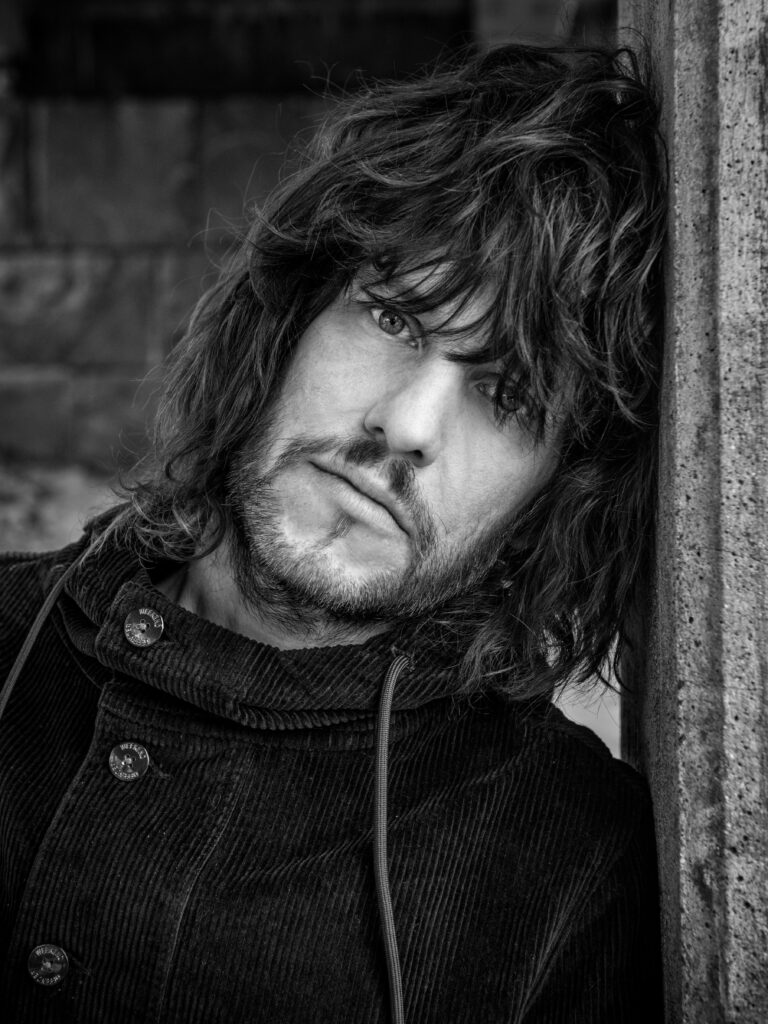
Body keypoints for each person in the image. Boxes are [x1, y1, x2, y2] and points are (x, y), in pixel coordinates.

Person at [0, 42, 667, 1023]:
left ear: (560, 488)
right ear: (288, 320)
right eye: (393, 318)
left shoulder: (571, 865)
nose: (405, 427)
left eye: (510, 396)